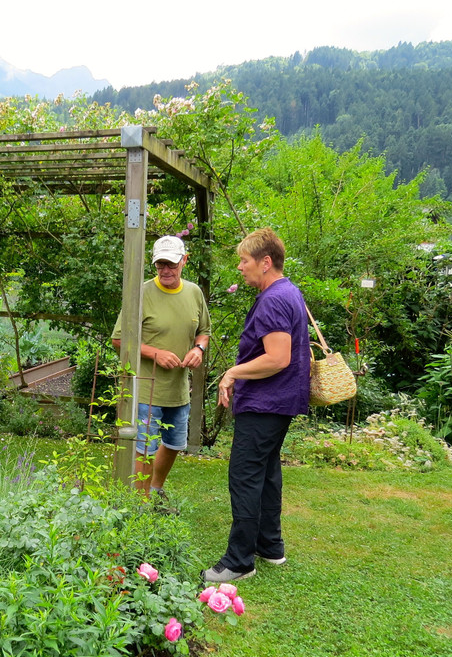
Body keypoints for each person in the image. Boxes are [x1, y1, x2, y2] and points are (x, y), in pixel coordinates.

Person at [204, 227, 310, 583]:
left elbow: (278, 358)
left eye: (244, 260)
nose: (240, 267)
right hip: (280, 402)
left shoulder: (274, 299)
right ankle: (270, 546)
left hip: (266, 402)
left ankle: (239, 561)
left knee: (245, 475)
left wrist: (232, 372)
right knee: (266, 473)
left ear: (265, 262)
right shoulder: (288, 291)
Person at [112, 235, 211, 501]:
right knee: (145, 447)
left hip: (178, 390)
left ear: (184, 261)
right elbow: (119, 339)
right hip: (147, 388)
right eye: (160, 265)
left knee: (175, 443)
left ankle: (154, 491)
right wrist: (155, 353)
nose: (166, 270)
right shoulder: (141, 293)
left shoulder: (194, 293)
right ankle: (140, 503)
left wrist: (198, 349)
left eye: (171, 264)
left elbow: (204, 332)